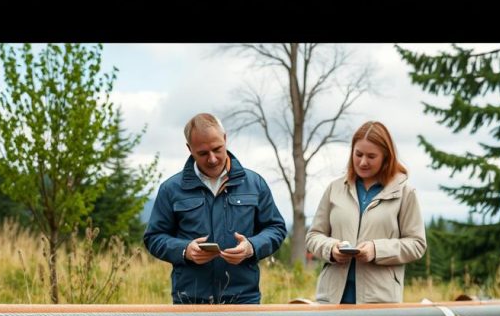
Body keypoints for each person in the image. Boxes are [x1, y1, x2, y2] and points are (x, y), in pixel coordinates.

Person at [144, 113, 287, 304]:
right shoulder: (171, 189)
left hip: (243, 300)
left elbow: (276, 229)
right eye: (203, 153)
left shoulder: (254, 184)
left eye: (217, 149)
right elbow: (154, 237)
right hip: (190, 301)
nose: (212, 159)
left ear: (225, 139)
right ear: (189, 149)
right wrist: (185, 250)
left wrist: (251, 247)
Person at [306, 121, 426, 304]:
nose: (362, 162)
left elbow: (417, 244)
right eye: (358, 154)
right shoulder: (334, 189)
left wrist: (377, 250)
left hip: (380, 301)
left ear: (386, 157)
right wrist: (331, 249)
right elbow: (314, 236)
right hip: (331, 300)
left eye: (371, 156)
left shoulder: (405, 193)